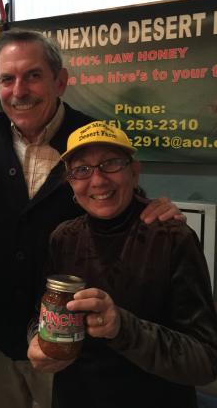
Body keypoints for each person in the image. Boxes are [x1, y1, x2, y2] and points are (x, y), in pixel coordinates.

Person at [0, 29, 185, 408]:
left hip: (69, 339)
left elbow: (124, 201)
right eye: (7, 79)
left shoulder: (91, 138)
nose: (18, 90)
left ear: (60, 81)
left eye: (33, 75)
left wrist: (158, 208)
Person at [27, 121, 217, 408]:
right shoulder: (63, 238)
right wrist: (36, 340)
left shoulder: (171, 236)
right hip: (75, 397)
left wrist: (122, 328)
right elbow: (41, 316)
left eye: (111, 163)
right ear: (71, 182)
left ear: (134, 170)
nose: (98, 180)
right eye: (82, 169)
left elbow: (205, 360)